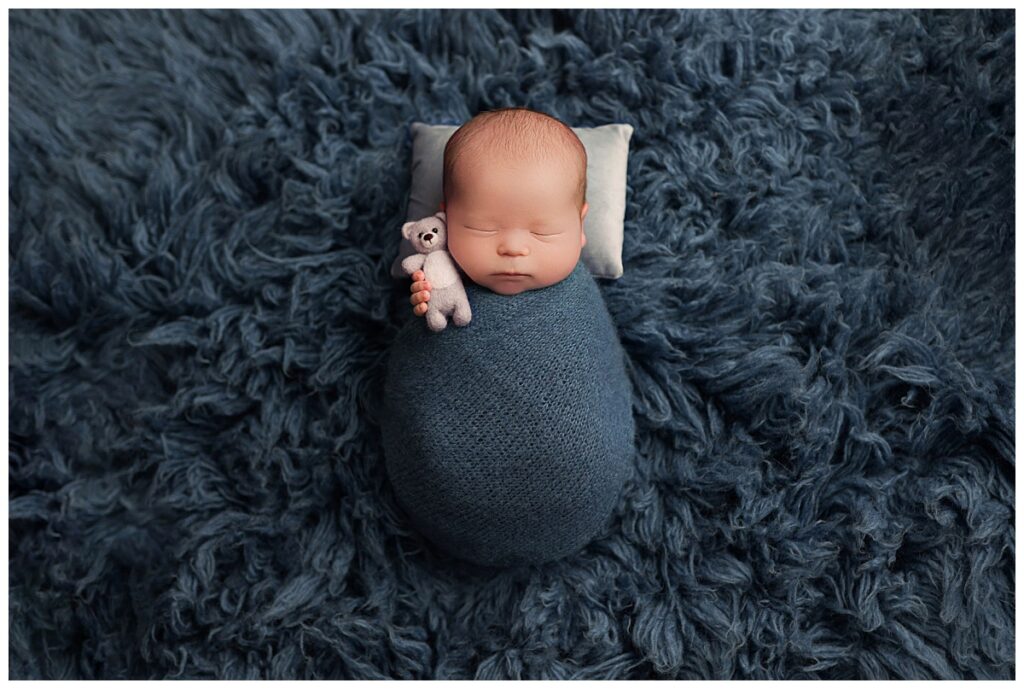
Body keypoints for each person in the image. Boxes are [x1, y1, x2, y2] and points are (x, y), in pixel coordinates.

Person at [409, 106, 589, 315]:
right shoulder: (441, 276)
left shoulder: (581, 299)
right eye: (482, 228)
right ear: (445, 221)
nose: (512, 248)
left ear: (580, 226)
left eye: (543, 231)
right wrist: (427, 295)